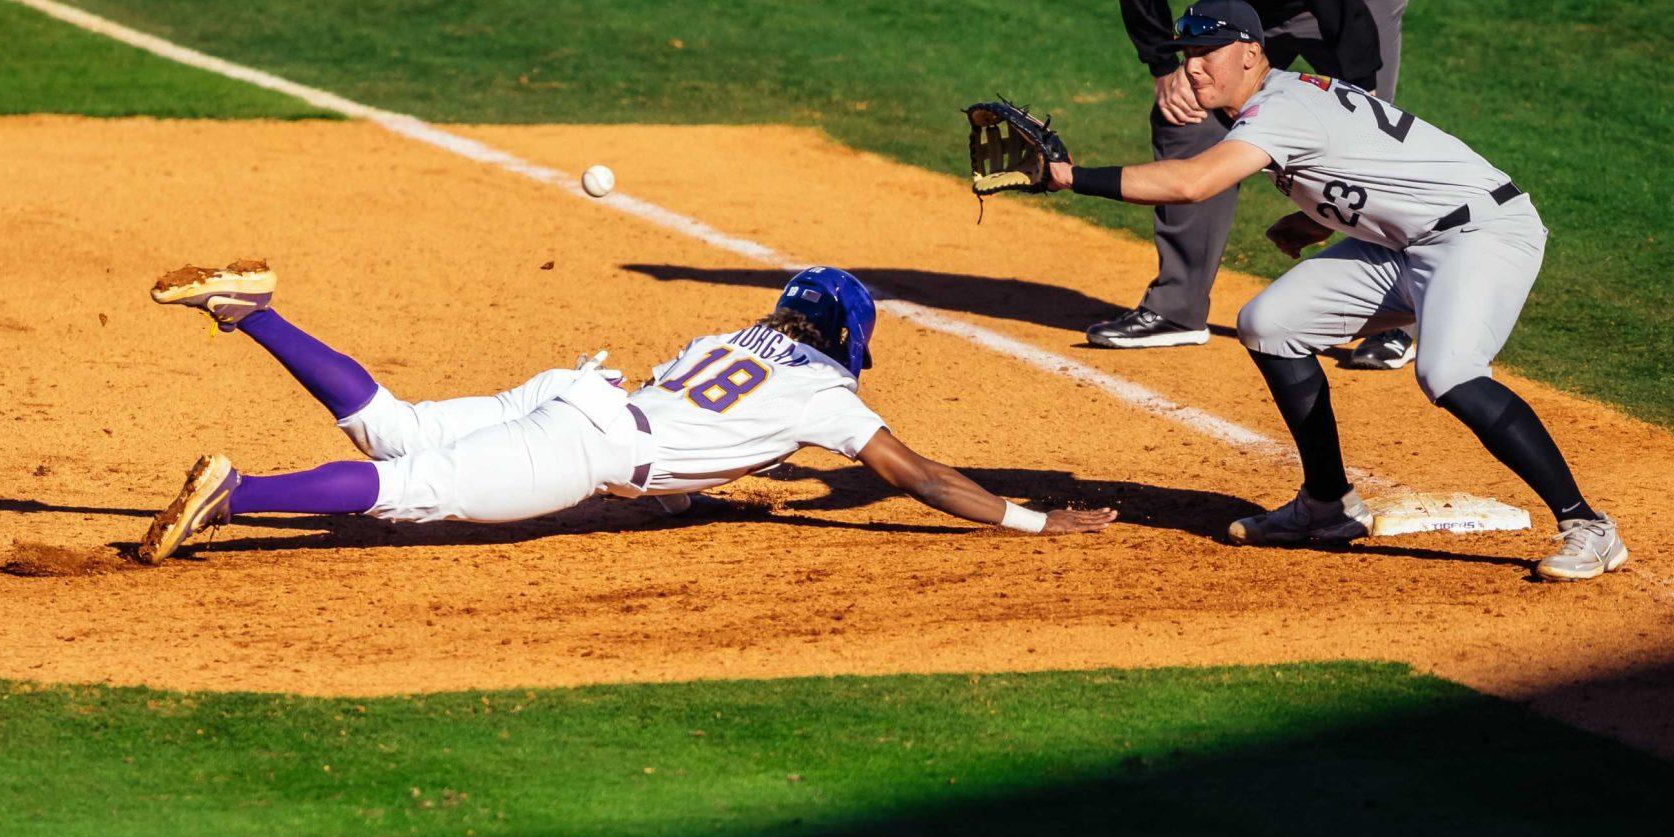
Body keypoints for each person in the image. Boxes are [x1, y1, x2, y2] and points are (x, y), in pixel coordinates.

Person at [1042, 0, 1624, 582]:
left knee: (1447, 373)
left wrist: (1070, 177)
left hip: (1479, 234)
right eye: (1186, 55)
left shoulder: (1279, 109)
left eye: (1204, 53)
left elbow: (1194, 183)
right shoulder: (1287, 95)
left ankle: (1588, 526)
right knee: (1270, 323)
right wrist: (1315, 220)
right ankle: (1327, 505)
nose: (1192, 67)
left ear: (1249, 54)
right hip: (1403, 243)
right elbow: (1368, 159)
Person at [132, 259, 1116, 562]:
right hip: (586, 440)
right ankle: (238, 494)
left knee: (400, 424)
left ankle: (252, 314)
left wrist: (682, 494)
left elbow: (697, 439)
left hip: (576, 392)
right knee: (413, 488)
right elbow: (917, 475)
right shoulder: (824, 392)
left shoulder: (724, 341)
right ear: (847, 335)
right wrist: (1034, 515)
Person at [1094, 0, 1418, 371]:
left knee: (1363, 157)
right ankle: (1176, 309)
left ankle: (1401, 316)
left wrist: (1360, 108)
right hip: (1255, 9)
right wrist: (1164, 64)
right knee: (1188, 119)